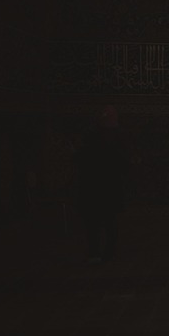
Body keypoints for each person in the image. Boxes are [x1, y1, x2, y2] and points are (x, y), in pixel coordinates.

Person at [73, 104, 129, 263]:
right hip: (103, 186)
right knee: (105, 221)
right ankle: (103, 253)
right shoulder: (113, 137)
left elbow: (80, 158)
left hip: (97, 186)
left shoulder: (93, 136)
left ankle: (96, 253)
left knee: (97, 222)